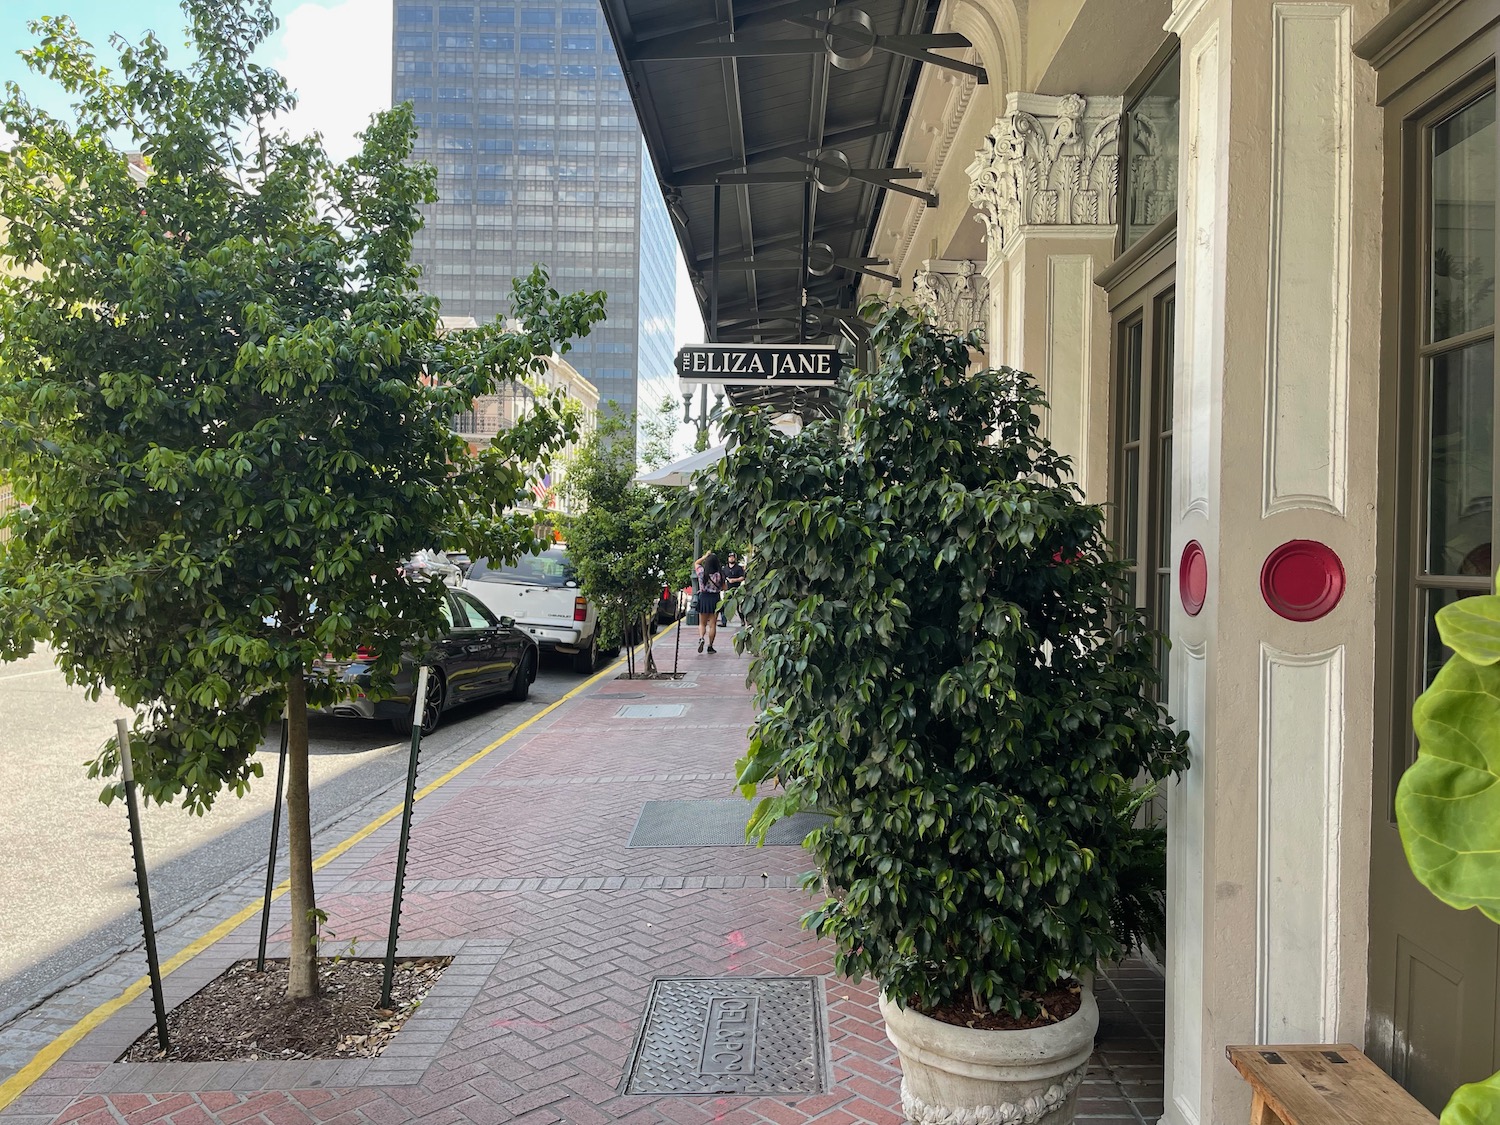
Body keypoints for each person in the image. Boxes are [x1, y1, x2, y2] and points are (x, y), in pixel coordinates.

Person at [695, 550, 726, 653]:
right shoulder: (719, 575)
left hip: (704, 598)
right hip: (715, 599)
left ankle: (701, 638)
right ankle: (710, 646)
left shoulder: (702, 572)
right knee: (713, 625)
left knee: (702, 623)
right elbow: (724, 588)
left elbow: (696, 563)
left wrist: (704, 556)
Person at [723, 552, 747, 626]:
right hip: (727, 590)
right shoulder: (725, 568)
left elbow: (742, 577)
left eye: (733, 557)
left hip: (737, 589)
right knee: (725, 605)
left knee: (738, 606)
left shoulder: (738, 568)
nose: (731, 558)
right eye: (730, 557)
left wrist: (734, 580)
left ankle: (742, 620)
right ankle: (724, 622)